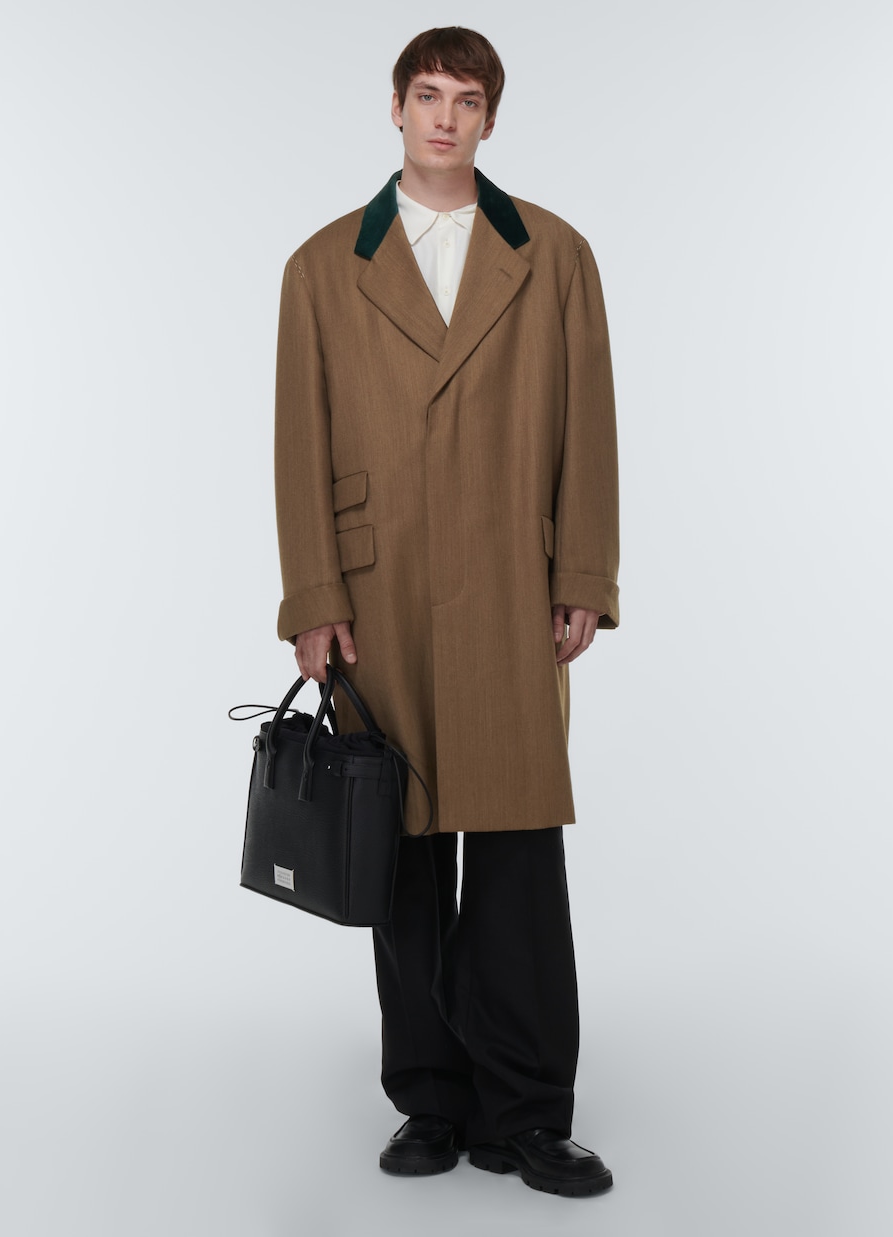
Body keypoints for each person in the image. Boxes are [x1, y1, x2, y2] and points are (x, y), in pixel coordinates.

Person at [273, 27, 619, 1197]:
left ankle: (528, 1111)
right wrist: (313, 599)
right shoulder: (321, 266)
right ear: (394, 108)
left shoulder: (553, 254)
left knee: (517, 848)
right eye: (425, 96)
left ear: (488, 119)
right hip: (377, 595)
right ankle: (429, 1096)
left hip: (512, 585)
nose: (443, 118)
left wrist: (583, 573)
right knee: (401, 847)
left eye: (465, 101)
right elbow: (297, 446)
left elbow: (588, 423)